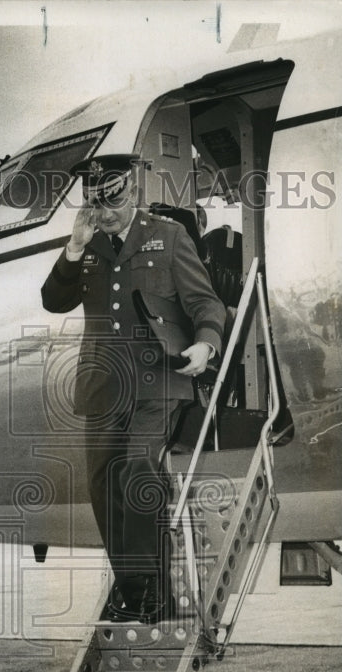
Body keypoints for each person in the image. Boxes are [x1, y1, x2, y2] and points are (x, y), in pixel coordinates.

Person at [41, 155, 226, 623]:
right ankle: (136, 590)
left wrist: (206, 343)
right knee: (104, 487)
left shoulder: (169, 235)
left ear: (132, 191)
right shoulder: (89, 246)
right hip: (103, 387)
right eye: (97, 204)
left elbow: (205, 301)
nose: (107, 212)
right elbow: (53, 300)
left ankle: (144, 591)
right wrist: (74, 248)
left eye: (115, 199)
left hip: (158, 383)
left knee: (138, 471)